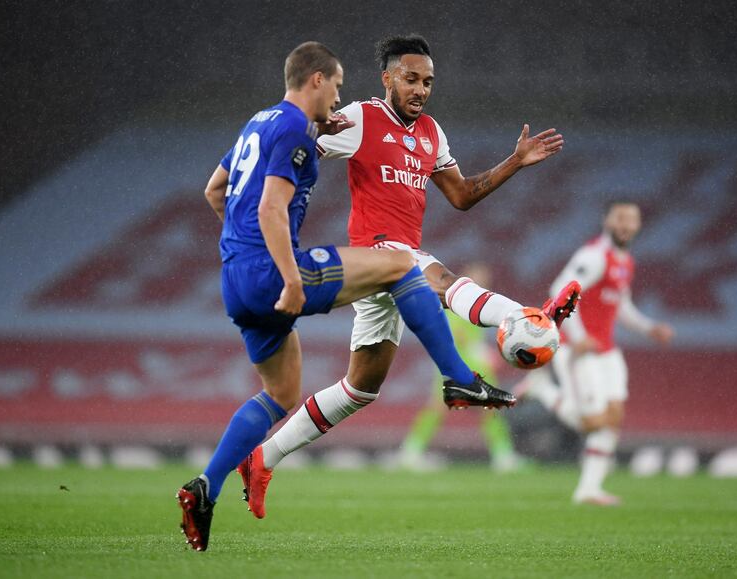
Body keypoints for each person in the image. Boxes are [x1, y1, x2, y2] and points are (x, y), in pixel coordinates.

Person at [177, 41, 515, 551]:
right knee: (402, 263)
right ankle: (461, 379)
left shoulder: (259, 123)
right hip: (275, 274)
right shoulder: (298, 127)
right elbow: (271, 208)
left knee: (282, 395)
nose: (339, 99)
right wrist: (288, 277)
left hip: (235, 279)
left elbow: (214, 190)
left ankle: (206, 487)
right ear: (316, 80)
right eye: (335, 87)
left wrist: (242, 253)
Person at [240, 34, 580, 519]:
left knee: (361, 388)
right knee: (435, 276)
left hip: (386, 272)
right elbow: (301, 140)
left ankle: (262, 459)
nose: (421, 89)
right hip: (378, 255)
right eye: (411, 79)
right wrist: (311, 132)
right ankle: (525, 315)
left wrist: (515, 162)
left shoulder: (431, 133)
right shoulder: (360, 118)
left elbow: (461, 195)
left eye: (428, 82)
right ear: (388, 78)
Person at [515, 200, 674, 506]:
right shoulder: (594, 256)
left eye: (632, 219)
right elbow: (559, 288)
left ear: (639, 225)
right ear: (607, 221)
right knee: (592, 422)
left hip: (607, 350)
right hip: (578, 350)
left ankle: (589, 489)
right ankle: (542, 390)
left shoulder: (625, 260)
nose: (626, 225)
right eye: (620, 218)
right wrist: (579, 336)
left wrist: (648, 327)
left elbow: (621, 305)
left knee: (613, 417)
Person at [398, 263, 525, 472]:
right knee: (446, 408)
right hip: (460, 361)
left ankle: (503, 456)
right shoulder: (459, 300)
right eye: (478, 276)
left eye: (485, 278)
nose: (483, 281)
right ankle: (411, 452)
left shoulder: (477, 302)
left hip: (464, 363)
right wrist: (479, 350)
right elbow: (453, 331)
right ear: (468, 277)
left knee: (487, 409)